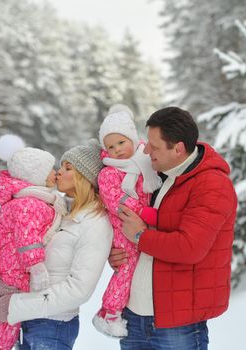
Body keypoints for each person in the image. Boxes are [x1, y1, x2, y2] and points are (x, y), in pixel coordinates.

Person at [112, 106, 238, 349]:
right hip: (134, 317)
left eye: (154, 146)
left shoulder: (212, 186)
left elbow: (189, 247)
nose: (146, 150)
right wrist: (119, 252)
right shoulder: (161, 176)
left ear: (178, 148)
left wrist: (139, 235)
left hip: (176, 325)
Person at [0, 139, 113, 349]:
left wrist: (15, 306)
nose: (58, 172)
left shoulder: (95, 222)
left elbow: (78, 290)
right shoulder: (56, 209)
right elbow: (17, 248)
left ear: (85, 177)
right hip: (25, 319)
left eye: (67, 168)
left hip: (51, 325)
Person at [0, 134, 67, 350]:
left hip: (16, 266)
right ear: (36, 176)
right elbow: (27, 238)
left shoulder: (34, 199)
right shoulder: (28, 204)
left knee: (13, 317)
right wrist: (37, 267)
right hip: (18, 269)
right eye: (50, 170)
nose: (56, 173)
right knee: (12, 318)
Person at [92, 104, 162, 338]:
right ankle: (109, 312)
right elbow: (117, 201)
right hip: (123, 226)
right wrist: (145, 212)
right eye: (110, 146)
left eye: (121, 143)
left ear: (132, 138)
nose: (117, 150)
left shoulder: (147, 162)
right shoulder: (109, 173)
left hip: (144, 225)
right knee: (128, 265)